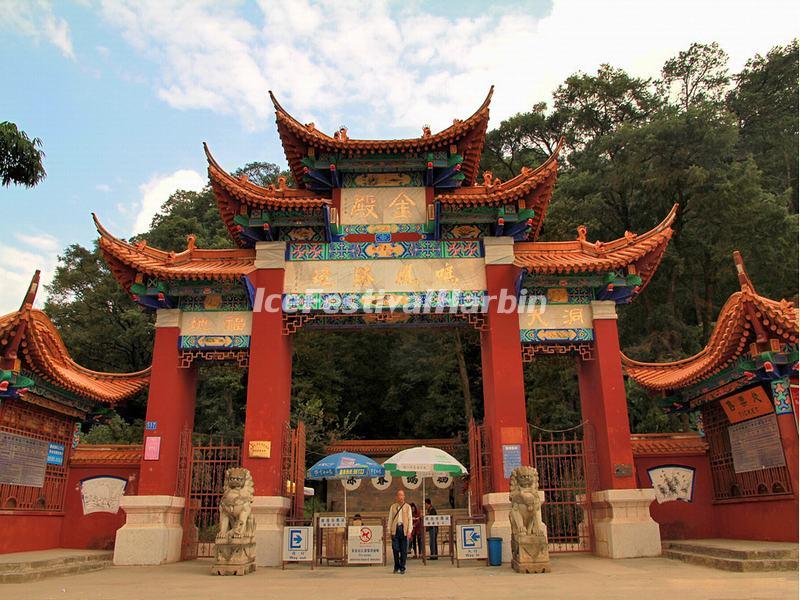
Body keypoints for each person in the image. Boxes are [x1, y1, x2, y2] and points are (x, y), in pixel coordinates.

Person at [388, 489, 412, 574]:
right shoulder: (393, 506)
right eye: (399, 495)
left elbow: (410, 519)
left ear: (404, 496)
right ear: (397, 497)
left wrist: (409, 530)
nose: (400, 497)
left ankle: (402, 567)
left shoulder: (407, 507)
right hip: (395, 529)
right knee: (395, 549)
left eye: (402, 495)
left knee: (403, 550)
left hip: (404, 529)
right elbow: (390, 518)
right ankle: (396, 566)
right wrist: (389, 530)